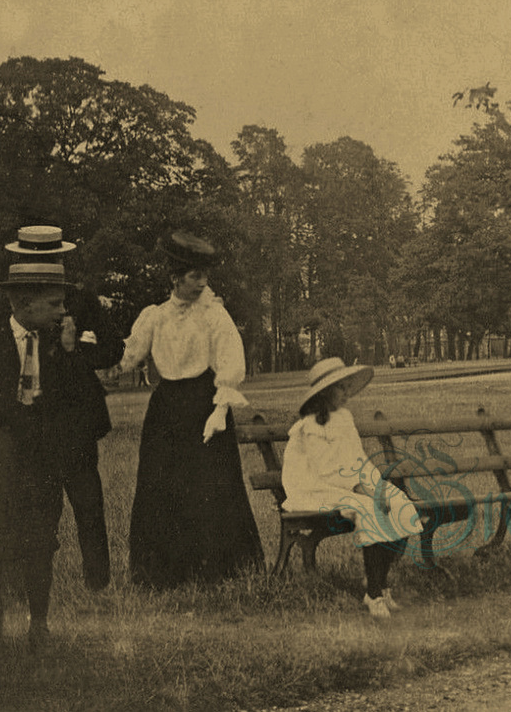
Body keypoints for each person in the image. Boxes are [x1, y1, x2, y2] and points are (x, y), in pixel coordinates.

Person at [118, 232, 263, 589]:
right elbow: (129, 358)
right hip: (166, 409)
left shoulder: (215, 316)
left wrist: (220, 409)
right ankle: (161, 573)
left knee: (208, 486)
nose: (202, 283)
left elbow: (230, 362)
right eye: (195, 276)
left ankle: (216, 569)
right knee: (160, 484)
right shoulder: (155, 316)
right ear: (175, 278)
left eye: (205, 276)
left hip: (205, 404)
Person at [0, 263, 105, 647]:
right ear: (23, 304)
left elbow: (79, 399)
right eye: (54, 304)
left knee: (40, 540)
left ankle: (38, 622)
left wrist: (68, 353)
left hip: (43, 461)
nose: (63, 312)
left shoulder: (60, 343)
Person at [3, 225, 123, 590]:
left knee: (87, 502)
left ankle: (97, 582)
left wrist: (75, 350)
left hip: (73, 418)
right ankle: (32, 580)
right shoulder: (12, 303)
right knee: (38, 502)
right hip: (30, 417)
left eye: (50, 259)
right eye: (33, 259)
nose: (43, 265)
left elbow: (113, 349)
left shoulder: (80, 299)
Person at [282, 358, 422, 618]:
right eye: (340, 388)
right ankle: (374, 595)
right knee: (369, 509)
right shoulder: (310, 425)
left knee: (400, 504)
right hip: (317, 489)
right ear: (324, 392)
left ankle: (380, 581)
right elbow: (325, 470)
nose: (346, 393)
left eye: (347, 387)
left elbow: (358, 459)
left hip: (351, 485)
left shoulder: (345, 417)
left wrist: (376, 487)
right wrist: (362, 490)